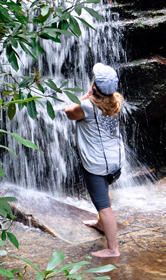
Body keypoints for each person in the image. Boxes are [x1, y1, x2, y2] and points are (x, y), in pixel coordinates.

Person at [65, 62, 124, 258]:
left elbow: (68, 112)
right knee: (104, 193)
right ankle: (100, 223)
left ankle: (112, 249)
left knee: (103, 206)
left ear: (94, 86)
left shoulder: (87, 106)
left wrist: (86, 94)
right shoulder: (116, 101)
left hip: (96, 164)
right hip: (114, 159)